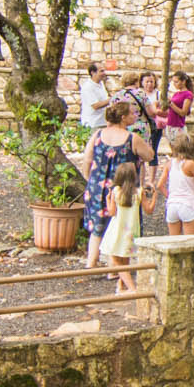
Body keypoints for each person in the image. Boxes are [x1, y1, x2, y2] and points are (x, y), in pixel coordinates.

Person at [80, 100, 151, 266]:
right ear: (123, 117)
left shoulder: (97, 135)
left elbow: (87, 160)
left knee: (97, 227)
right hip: (123, 189)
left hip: (97, 186)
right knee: (121, 226)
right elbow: (149, 156)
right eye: (132, 113)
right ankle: (115, 267)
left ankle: (91, 263)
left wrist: (90, 181)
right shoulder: (132, 138)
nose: (136, 115)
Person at [156, 131, 194, 239]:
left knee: (174, 241)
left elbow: (159, 185)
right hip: (188, 205)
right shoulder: (190, 164)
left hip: (172, 205)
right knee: (189, 241)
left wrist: (170, 196)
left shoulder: (170, 163)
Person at [101, 160, 144, 290]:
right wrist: (154, 197)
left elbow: (112, 212)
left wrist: (108, 200)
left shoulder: (116, 191)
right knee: (125, 260)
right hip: (132, 231)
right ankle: (121, 286)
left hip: (118, 230)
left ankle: (132, 288)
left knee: (116, 260)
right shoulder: (138, 192)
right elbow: (149, 210)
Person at [77, 60, 112, 130]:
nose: (104, 73)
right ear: (93, 73)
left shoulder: (101, 84)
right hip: (93, 124)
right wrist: (112, 99)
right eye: (101, 71)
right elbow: (95, 105)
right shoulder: (88, 87)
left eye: (104, 71)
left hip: (102, 122)